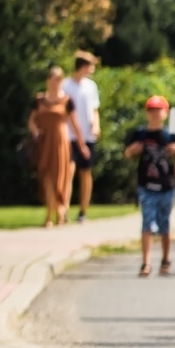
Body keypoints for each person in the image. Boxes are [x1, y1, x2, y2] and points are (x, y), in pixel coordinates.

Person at [123, 95, 175, 277]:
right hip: (146, 185)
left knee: (165, 225)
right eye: (151, 110)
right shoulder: (140, 133)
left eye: (158, 110)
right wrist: (132, 150)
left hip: (166, 185)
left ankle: (166, 260)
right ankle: (146, 262)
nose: (155, 114)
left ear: (165, 113)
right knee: (147, 224)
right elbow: (127, 153)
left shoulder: (170, 134)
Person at [28, 66, 86, 227]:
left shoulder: (67, 101)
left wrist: (82, 145)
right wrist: (35, 130)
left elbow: (75, 124)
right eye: (53, 80)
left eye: (59, 80)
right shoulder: (39, 100)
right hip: (44, 141)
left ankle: (61, 211)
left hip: (61, 142)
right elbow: (31, 120)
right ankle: (49, 215)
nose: (56, 83)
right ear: (48, 81)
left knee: (60, 177)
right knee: (46, 175)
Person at [63, 51, 101, 222]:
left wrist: (96, 124)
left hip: (88, 136)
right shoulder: (66, 85)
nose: (92, 69)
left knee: (85, 173)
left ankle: (83, 211)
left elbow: (94, 109)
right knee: (69, 172)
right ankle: (64, 208)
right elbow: (67, 112)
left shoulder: (91, 86)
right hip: (69, 135)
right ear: (83, 66)